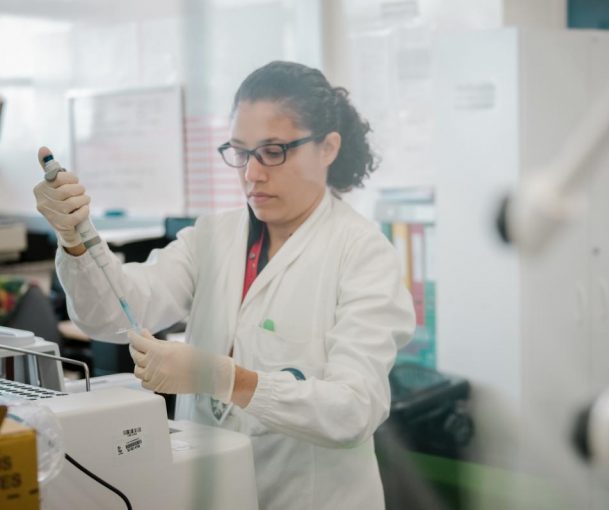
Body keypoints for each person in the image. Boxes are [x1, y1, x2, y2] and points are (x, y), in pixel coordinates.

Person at [34, 61, 415, 509]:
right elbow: (112, 315)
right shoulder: (214, 236)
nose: (251, 174)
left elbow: (353, 409)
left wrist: (225, 378)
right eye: (239, 151)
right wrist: (77, 239)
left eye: (273, 151)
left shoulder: (363, 254)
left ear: (328, 148)